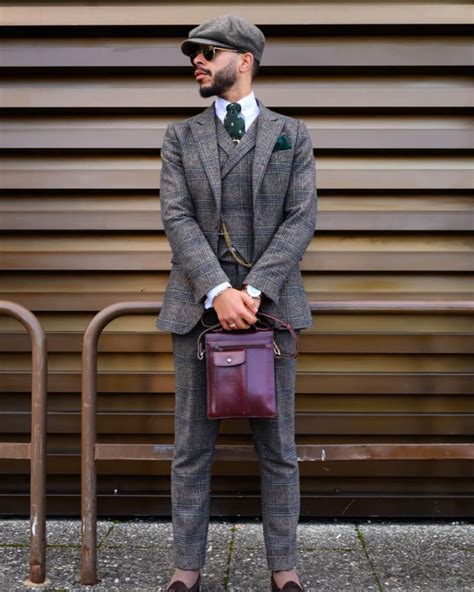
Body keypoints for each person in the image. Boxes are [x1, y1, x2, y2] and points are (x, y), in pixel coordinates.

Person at [156, 14, 317, 592]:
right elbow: (176, 216)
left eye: (207, 52)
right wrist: (217, 290)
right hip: (196, 313)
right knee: (191, 448)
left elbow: (302, 219)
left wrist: (250, 292)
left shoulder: (291, 134)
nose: (196, 61)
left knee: (278, 449)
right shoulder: (180, 137)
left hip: (270, 313)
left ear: (243, 60)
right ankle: (186, 568)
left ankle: (284, 569)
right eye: (193, 54)